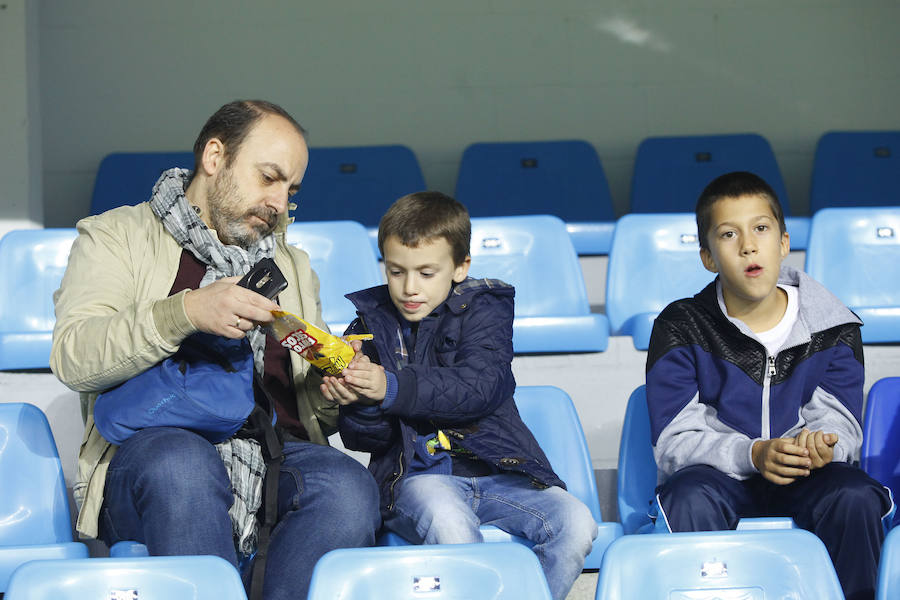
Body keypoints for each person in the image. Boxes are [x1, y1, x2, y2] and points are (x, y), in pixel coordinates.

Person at [50, 100, 381, 600]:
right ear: (213, 156)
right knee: (181, 464)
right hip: (150, 458)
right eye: (268, 177)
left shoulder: (291, 264)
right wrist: (186, 313)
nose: (278, 202)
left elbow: (311, 410)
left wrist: (336, 387)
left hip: (275, 456)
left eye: (290, 190)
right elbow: (74, 356)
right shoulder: (116, 235)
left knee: (349, 489)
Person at [320, 191, 597, 600]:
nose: (409, 288)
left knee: (576, 523)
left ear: (460, 267)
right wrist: (358, 402)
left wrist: (389, 387)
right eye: (396, 272)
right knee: (449, 521)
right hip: (418, 480)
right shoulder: (366, 325)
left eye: (427, 273)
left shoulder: (487, 309)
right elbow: (367, 442)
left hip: (502, 473)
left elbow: (479, 388)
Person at [646, 171, 893, 600]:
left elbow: (844, 426)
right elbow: (674, 441)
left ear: (782, 243)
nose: (748, 245)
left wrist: (819, 446)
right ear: (707, 256)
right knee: (687, 496)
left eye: (761, 228)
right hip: (721, 477)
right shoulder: (681, 326)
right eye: (728, 234)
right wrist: (753, 454)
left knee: (855, 495)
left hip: (806, 475)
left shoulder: (834, 325)